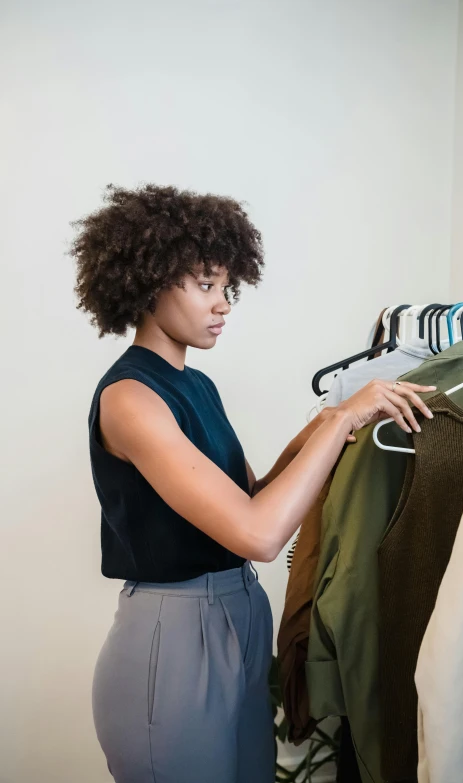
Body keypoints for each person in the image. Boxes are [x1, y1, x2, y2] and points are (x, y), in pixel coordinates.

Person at [70, 183, 435, 783]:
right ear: (149, 281)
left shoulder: (198, 386)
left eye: (225, 287)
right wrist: (341, 419)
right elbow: (259, 534)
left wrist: (323, 424)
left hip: (240, 616)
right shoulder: (130, 397)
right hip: (174, 636)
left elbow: (254, 496)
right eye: (205, 285)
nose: (223, 305)